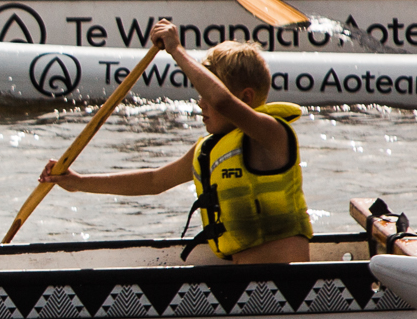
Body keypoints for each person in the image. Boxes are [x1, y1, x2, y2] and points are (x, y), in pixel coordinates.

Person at [39, 19, 312, 265]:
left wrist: (176, 50)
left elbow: (222, 101)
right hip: (244, 282)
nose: (201, 103)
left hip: (286, 285)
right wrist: (78, 183)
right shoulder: (209, 149)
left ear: (247, 97)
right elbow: (154, 181)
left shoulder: (271, 134)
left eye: (205, 92)